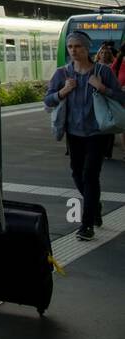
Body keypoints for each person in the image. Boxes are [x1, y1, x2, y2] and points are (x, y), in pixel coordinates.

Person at [46, 30, 125, 239]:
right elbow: (48, 101)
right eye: (70, 47)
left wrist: (102, 88)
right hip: (74, 133)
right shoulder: (62, 74)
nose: (73, 50)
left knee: (90, 175)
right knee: (77, 173)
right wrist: (62, 92)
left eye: (78, 46)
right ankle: (94, 205)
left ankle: (86, 224)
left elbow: (121, 98)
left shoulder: (103, 72)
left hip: (98, 133)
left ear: (87, 48)